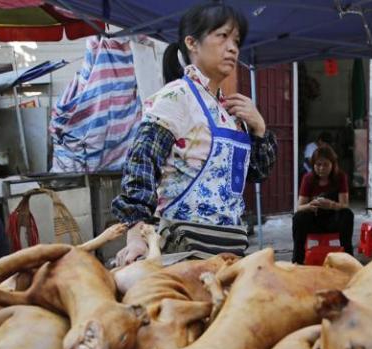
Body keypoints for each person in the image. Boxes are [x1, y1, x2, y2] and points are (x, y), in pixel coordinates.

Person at [112, 2, 276, 265]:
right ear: (192, 43)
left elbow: (257, 173)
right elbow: (141, 163)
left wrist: (259, 129)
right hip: (183, 248)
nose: (233, 47)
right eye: (222, 36)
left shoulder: (231, 111)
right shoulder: (176, 97)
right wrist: (136, 235)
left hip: (229, 244)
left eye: (236, 40)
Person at [292, 146, 353, 264]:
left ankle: (348, 258)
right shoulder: (308, 178)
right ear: (313, 165)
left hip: (333, 221)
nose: (321, 168)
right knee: (298, 217)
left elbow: (345, 205)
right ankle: (297, 260)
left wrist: (331, 205)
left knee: (347, 215)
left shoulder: (340, 177)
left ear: (333, 164)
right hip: (315, 220)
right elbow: (299, 207)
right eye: (318, 165)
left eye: (325, 165)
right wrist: (310, 205)